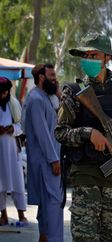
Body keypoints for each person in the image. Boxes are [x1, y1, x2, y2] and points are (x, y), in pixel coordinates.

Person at [55, 33, 112, 242]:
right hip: (85, 176)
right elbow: (60, 133)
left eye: (94, 54)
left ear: (106, 57)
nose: (89, 58)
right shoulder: (73, 92)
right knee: (85, 237)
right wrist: (88, 133)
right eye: (86, 54)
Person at [23, 64, 63, 242]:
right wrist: (54, 159)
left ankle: (44, 237)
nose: (55, 79)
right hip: (46, 162)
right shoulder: (36, 99)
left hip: (47, 160)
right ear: (41, 77)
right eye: (51, 75)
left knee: (47, 205)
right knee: (54, 203)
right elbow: (42, 133)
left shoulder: (44, 97)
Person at [0, 77, 27, 226]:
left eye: (4, 93)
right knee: (0, 184)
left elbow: (21, 126)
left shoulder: (14, 104)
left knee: (17, 183)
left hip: (12, 152)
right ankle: (3, 215)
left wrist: (11, 129)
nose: (2, 96)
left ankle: (21, 215)